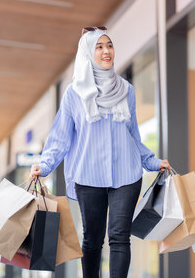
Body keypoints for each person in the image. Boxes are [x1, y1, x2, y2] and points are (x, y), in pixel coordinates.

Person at [29, 26, 171, 278]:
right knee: (92, 239)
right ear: (87, 53)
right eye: (99, 47)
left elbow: (132, 135)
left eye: (109, 46)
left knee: (119, 236)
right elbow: (60, 136)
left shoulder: (126, 90)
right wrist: (45, 165)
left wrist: (153, 161)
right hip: (89, 174)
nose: (107, 51)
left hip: (126, 174)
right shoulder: (74, 94)